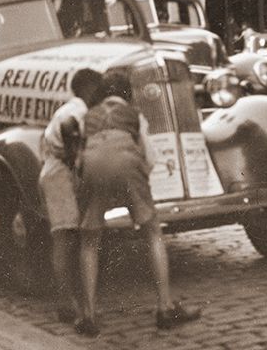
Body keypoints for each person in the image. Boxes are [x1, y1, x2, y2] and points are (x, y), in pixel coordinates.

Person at [78, 72, 201, 335]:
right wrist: (138, 182)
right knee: (152, 232)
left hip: (93, 166)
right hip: (127, 163)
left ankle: (88, 315)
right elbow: (151, 156)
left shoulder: (89, 116)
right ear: (127, 94)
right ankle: (165, 307)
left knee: (89, 241)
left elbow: (80, 155)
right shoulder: (135, 116)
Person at [38, 68, 102, 335]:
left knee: (67, 237)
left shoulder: (71, 107)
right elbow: (68, 128)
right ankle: (66, 302)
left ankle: (69, 300)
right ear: (87, 88)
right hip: (61, 173)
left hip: (56, 170)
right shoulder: (77, 109)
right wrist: (76, 160)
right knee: (64, 238)